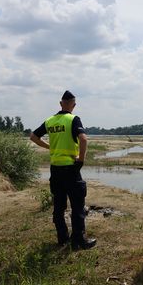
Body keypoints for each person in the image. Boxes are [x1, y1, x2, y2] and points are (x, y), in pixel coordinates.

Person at [30, 90, 96, 250]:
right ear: (73, 105)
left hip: (55, 169)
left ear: (61, 104)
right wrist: (81, 159)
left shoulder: (50, 121)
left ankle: (62, 238)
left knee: (59, 207)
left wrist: (50, 147)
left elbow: (33, 137)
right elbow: (83, 138)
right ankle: (78, 241)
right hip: (70, 169)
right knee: (77, 205)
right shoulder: (73, 119)